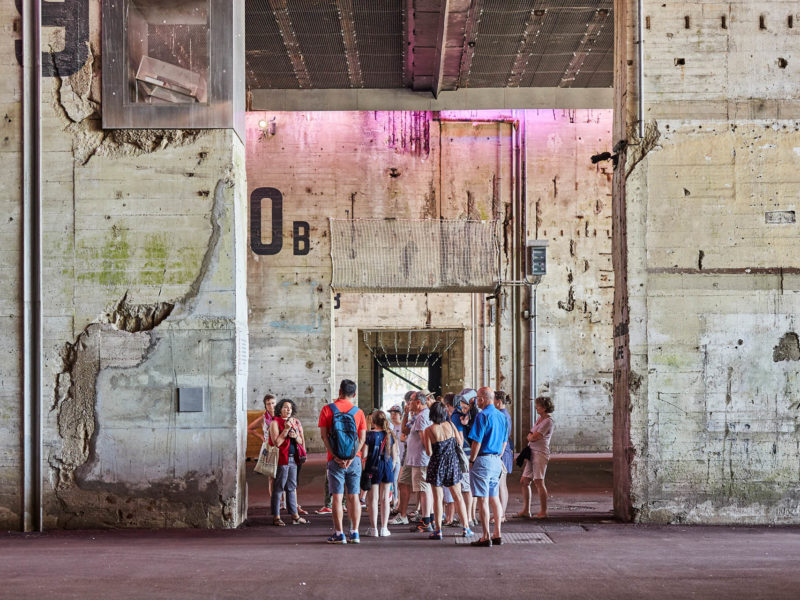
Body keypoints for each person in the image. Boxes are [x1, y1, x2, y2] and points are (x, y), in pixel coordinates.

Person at [318, 379, 367, 544]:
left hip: (335, 460)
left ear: (339, 391)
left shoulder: (327, 409)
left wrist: (335, 456)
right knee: (354, 496)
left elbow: (324, 437)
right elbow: (362, 439)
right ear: (354, 394)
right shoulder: (358, 412)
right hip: (354, 461)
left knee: (337, 498)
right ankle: (355, 533)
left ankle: (339, 534)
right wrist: (352, 456)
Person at [423, 402, 474, 540]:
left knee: (438, 499)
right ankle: (466, 528)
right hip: (452, 463)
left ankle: (438, 530)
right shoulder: (451, 425)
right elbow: (459, 442)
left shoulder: (428, 430)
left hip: (436, 464)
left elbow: (428, 452)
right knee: (458, 496)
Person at [467, 386, 508, 546]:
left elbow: (476, 441)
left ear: (483, 399)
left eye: (477, 398)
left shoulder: (482, 416)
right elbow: (504, 442)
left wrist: (472, 460)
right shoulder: (502, 416)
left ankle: (485, 536)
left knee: (482, 500)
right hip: (496, 460)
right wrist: (497, 457)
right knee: (494, 498)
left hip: (483, 459)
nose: (477, 401)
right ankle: (497, 533)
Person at [268, 398, 308, 526]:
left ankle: (295, 516)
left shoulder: (295, 422)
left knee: (291, 487)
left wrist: (295, 436)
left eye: (290, 407)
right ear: (279, 409)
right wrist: (285, 430)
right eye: (285, 407)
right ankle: (276, 517)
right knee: (278, 487)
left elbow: (301, 442)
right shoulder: (275, 422)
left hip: (293, 459)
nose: (288, 409)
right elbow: (277, 443)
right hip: (281, 459)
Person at [402, 390, 434, 532]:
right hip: (419, 459)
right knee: (424, 489)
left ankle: (426, 521)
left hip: (421, 460)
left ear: (418, 403)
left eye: (411, 401)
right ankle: (429, 517)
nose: (409, 404)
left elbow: (424, 437)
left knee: (423, 489)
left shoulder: (422, 417)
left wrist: (428, 453)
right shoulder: (421, 415)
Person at [362, 410, 398, 537]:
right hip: (386, 466)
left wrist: (364, 469)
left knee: (373, 499)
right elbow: (395, 456)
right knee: (385, 499)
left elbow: (365, 455)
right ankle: (384, 528)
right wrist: (391, 467)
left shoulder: (369, 435)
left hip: (372, 466)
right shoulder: (390, 435)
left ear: (373, 421)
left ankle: (373, 529)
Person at [519, 396, 555, 519]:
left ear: (544, 408)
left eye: (538, 406)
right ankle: (526, 510)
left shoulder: (548, 421)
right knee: (524, 481)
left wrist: (530, 436)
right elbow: (531, 434)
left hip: (540, 453)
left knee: (539, 481)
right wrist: (531, 436)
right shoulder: (539, 419)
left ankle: (543, 511)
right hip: (532, 452)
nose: (536, 407)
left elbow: (535, 436)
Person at [451, 389, 477, 527]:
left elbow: (460, 439)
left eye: (465, 406)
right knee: (469, 487)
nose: (463, 408)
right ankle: (470, 516)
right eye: (461, 405)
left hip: (465, 454)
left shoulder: (470, 414)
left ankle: (467, 518)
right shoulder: (460, 414)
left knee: (466, 487)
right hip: (472, 452)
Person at [248, 394, 277, 498]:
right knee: (271, 476)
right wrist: (260, 436)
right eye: (268, 404)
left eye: (273, 403)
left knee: (282, 475)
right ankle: (274, 501)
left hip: (280, 446)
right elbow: (249, 428)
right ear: (265, 405)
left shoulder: (281, 416)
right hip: (268, 447)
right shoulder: (263, 418)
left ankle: (284, 501)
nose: (271, 406)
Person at [495, 390, 514, 522]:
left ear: (498, 402)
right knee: (501, 484)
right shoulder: (504, 414)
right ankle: (501, 513)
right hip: (504, 452)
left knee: (501, 484)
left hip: (503, 453)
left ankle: (501, 514)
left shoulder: (503, 416)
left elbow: (503, 437)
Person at [388, 405, 404, 511]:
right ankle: (394, 501)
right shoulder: (389, 428)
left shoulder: (404, 427)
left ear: (401, 415)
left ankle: (398, 503)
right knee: (392, 480)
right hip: (392, 458)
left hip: (402, 458)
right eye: (391, 413)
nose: (393, 415)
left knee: (398, 482)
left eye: (396, 413)